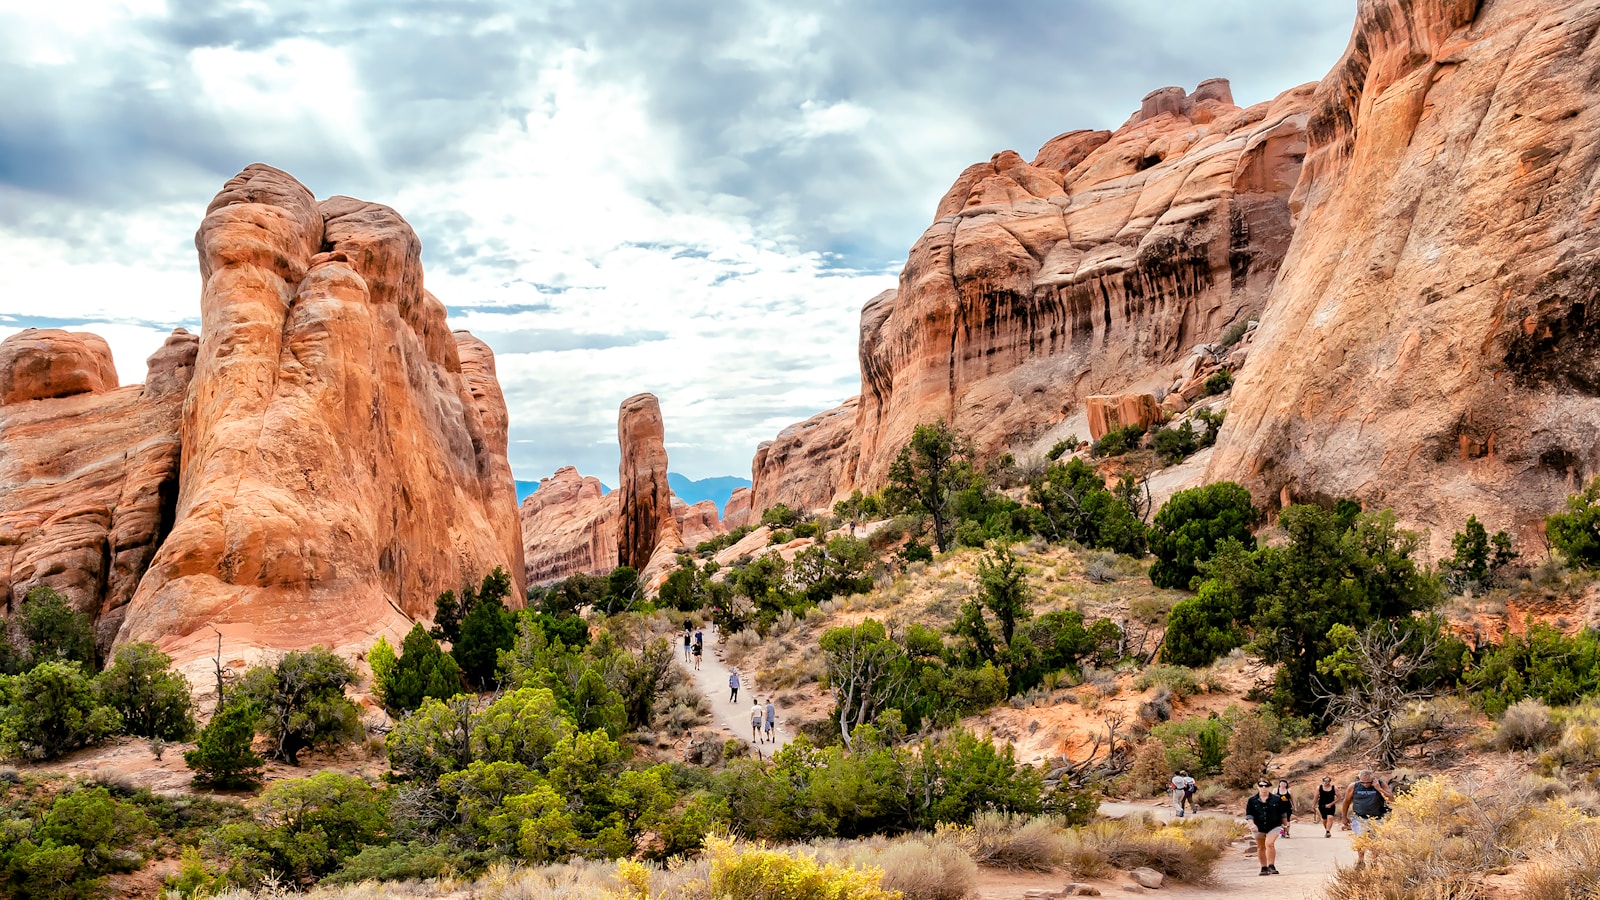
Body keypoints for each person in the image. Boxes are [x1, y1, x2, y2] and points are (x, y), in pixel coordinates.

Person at [1340, 770, 1394, 866]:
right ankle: (1361, 861)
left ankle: (1374, 861)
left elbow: (1391, 799)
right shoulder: (1353, 786)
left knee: (1376, 841)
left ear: (1373, 779)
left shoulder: (1381, 784)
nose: (1365, 784)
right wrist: (1344, 817)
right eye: (1363, 782)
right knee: (1361, 840)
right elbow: (1346, 802)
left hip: (1377, 818)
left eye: (1368, 782)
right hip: (1360, 817)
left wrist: (1379, 789)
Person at [1245, 780, 1287, 876]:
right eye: (1261, 785)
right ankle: (1264, 867)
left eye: (1266, 786)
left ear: (1269, 787)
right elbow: (1249, 814)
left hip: (1274, 825)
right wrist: (1252, 824)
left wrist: (1285, 825)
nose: (1264, 787)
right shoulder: (1252, 800)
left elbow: (1283, 813)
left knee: (1269, 843)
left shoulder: (1277, 799)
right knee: (1260, 847)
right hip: (1258, 826)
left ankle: (1271, 865)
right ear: (1258, 787)